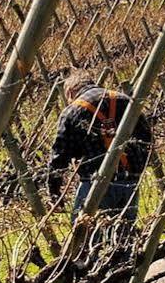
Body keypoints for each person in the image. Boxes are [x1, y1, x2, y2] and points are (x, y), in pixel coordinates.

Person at [46, 72, 154, 224]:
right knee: (124, 239)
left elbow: (59, 156)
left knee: (84, 237)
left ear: (70, 92)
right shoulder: (125, 101)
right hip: (130, 181)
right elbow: (146, 137)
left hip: (94, 184)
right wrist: (136, 167)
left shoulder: (72, 111)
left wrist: (54, 192)